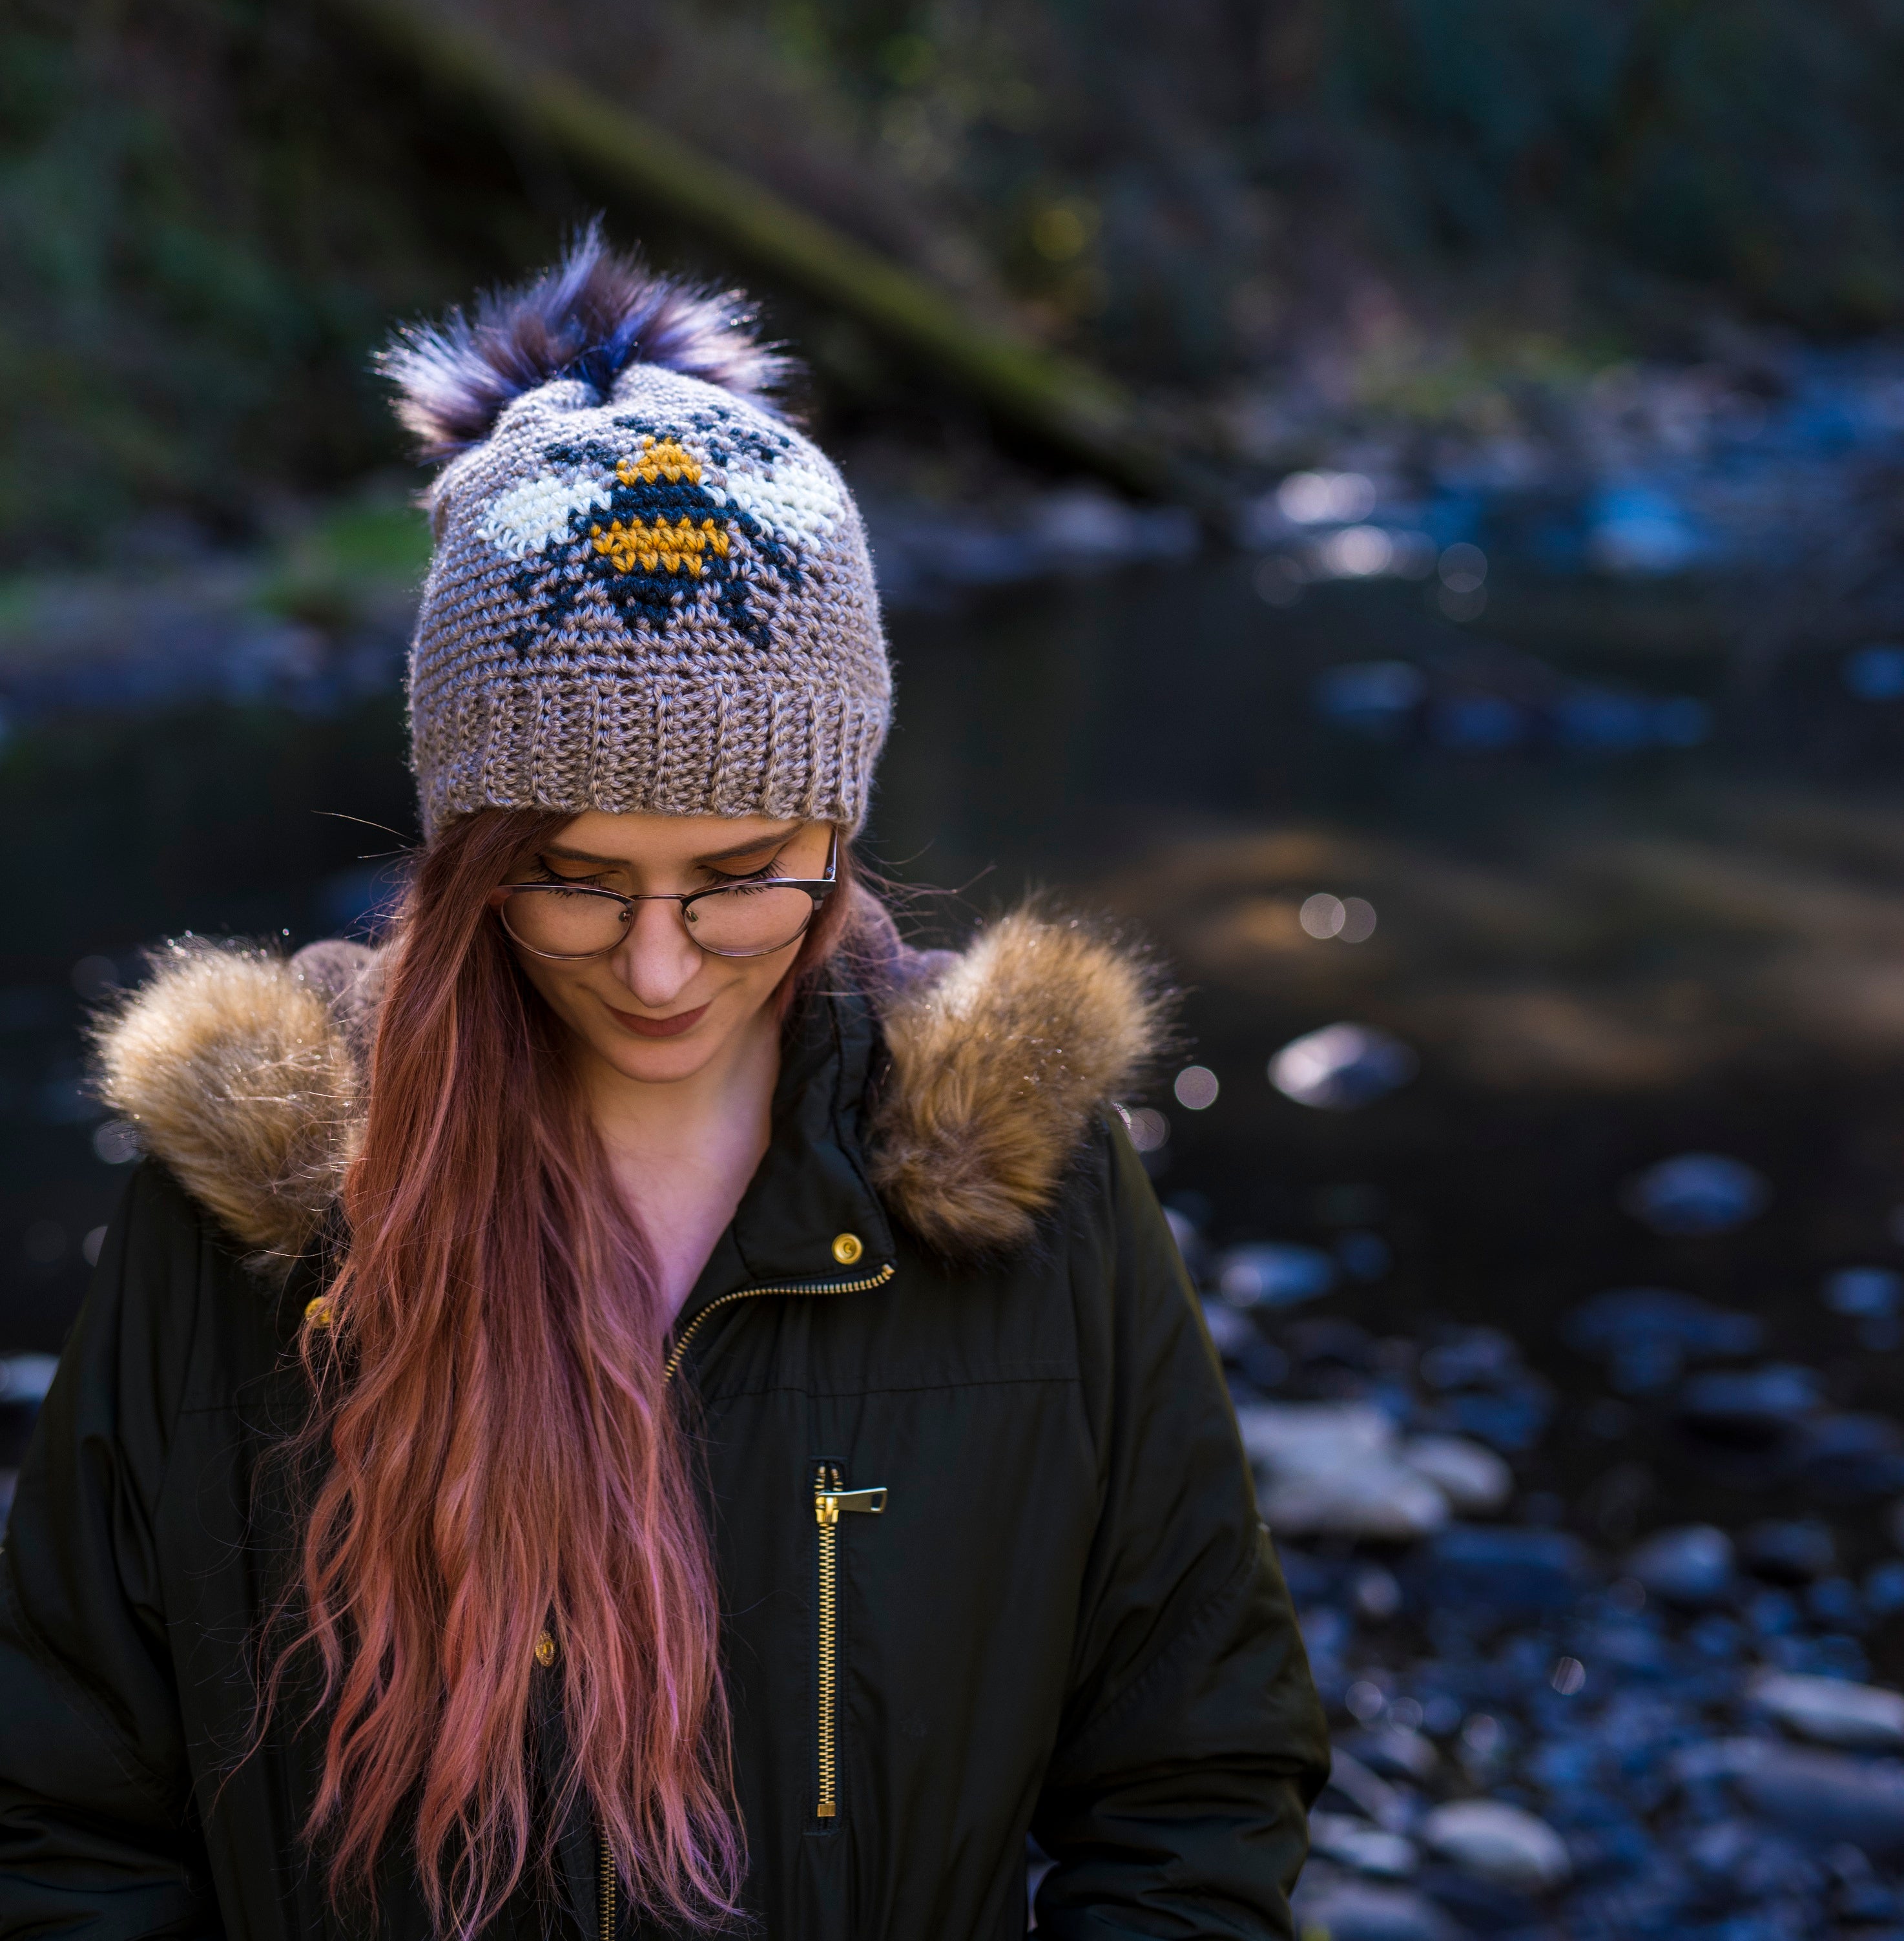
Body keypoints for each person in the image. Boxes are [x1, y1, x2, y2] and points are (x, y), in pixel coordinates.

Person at [0, 233, 1326, 1941]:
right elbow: (64, 1805)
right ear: (461, 853)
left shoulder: (1013, 1172)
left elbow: (1195, 1774)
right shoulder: (264, 1195)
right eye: (568, 879)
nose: (654, 964)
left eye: (740, 873)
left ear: (840, 832)